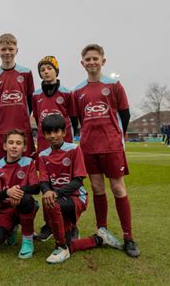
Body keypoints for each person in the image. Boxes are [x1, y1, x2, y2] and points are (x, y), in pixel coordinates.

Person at [73, 44, 139, 257]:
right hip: (89, 147)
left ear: (103, 61)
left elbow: (125, 115)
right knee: (97, 187)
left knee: (118, 188)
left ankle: (128, 237)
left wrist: (115, 136)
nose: (92, 62)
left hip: (112, 146)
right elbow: (78, 120)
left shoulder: (114, 85)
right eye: (88, 59)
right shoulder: (78, 91)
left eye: (95, 58)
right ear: (82, 63)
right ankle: (102, 231)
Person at [38, 114, 121, 264]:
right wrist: (47, 191)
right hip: (59, 198)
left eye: (56, 131)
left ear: (64, 132)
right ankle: (98, 239)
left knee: (51, 202)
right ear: (44, 134)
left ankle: (61, 247)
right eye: (48, 132)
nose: (52, 136)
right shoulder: (43, 155)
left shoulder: (74, 149)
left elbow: (78, 181)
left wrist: (55, 193)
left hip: (77, 197)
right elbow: (43, 181)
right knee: (48, 199)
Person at [31, 56, 79, 242]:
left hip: (64, 146)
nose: (45, 72)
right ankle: (49, 224)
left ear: (56, 71)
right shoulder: (36, 95)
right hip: (45, 146)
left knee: (66, 182)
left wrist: (71, 141)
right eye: (42, 69)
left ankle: (72, 225)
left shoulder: (67, 93)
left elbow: (73, 119)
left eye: (49, 68)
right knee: (47, 184)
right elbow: (37, 116)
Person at [0, 129, 40, 259]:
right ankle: (12, 228)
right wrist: (8, 192)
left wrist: (18, 190)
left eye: (18, 143)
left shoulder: (28, 162)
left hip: (23, 204)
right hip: (5, 210)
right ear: (5, 146)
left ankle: (27, 241)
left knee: (26, 200)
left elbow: (36, 188)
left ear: (24, 147)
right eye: (11, 142)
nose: (14, 146)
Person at [0, 33, 36, 161]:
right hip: (1, 131)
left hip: (22, 129)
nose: (7, 52)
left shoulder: (26, 73)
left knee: (26, 169)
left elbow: (31, 102)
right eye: (3, 49)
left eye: (10, 49)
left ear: (17, 51)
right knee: (1, 170)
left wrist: (23, 117)